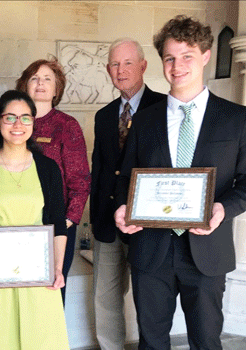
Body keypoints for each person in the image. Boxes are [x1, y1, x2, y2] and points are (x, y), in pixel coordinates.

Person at [115, 15, 246, 349]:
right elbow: (126, 178)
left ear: (205, 55)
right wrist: (121, 207)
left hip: (207, 250)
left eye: (187, 55)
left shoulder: (236, 119)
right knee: (152, 341)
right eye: (170, 58)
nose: (178, 66)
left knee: (206, 341)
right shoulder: (143, 121)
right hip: (151, 249)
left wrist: (222, 209)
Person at [0, 90, 69, 350]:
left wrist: (57, 268)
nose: (18, 125)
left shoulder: (48, 168)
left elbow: (58, 225)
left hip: (39, 278)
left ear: (33, 121)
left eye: (25, 118)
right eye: (10, 118)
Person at [90, 38, 165, 349]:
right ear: (108, 70)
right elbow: (100, 168)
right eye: (115, 65)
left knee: (149, 299)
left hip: (147, 224)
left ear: (144, 66)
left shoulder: (163, 108)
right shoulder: (104, 115)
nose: (120, 70)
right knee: (105, 297)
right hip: (107, 222)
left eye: (128, 63)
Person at [16, 57, 91, 303]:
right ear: (24, 85)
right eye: (34, 78)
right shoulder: (12, 123)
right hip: (16, 226)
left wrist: (66, 222)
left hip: (56, 230)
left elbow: (80, 181)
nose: (41, 83)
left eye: (48, 78)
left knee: (51, 295)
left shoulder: (67, 126)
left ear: (57, 88)